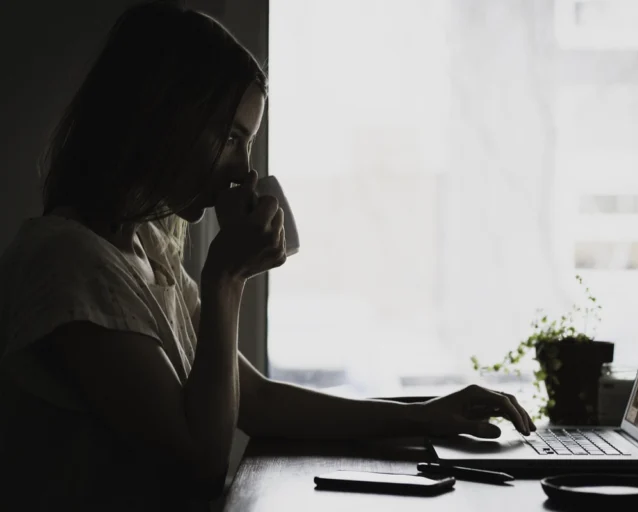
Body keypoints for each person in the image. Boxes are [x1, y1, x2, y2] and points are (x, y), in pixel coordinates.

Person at [0, 1, 535, 510]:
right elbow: (200, 463)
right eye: (232, 138)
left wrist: (428, 414)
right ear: (166, 118)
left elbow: (255, 400)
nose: (244, 172)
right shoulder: (67, 262)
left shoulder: (146, 250)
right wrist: (226, 279)